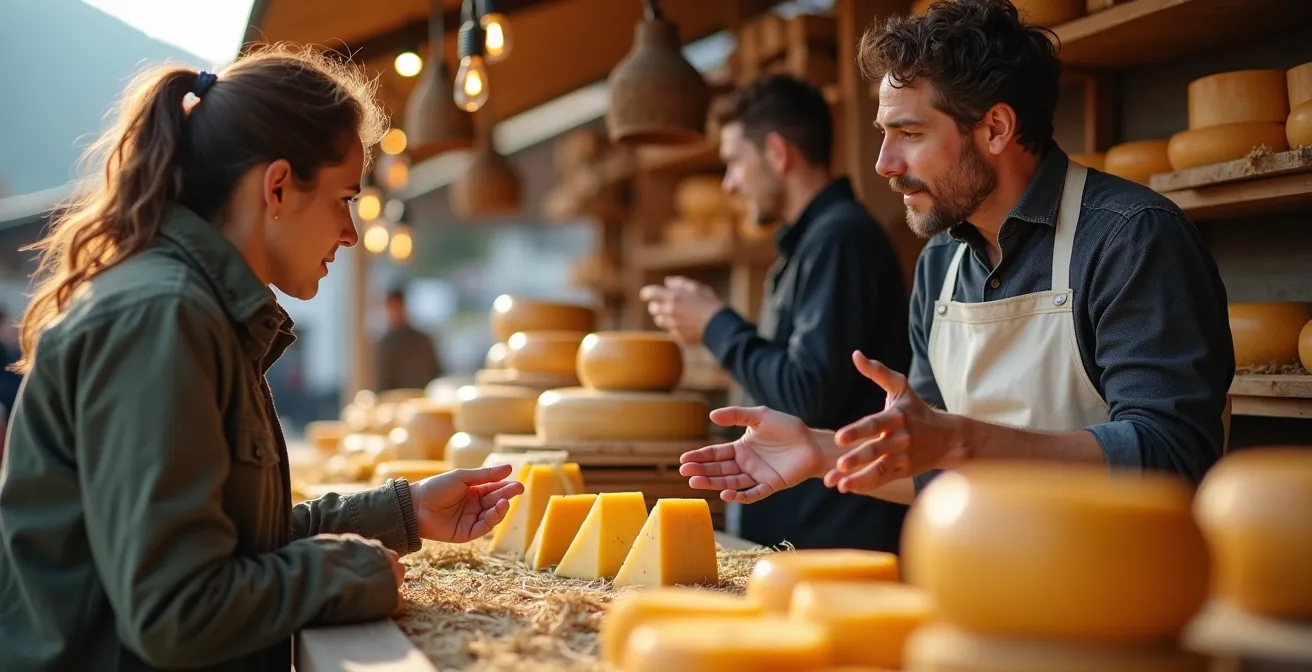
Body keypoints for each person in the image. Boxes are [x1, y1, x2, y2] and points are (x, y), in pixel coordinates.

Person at [0, 46, 524, 671]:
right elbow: (177, 611)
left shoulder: (189, 308)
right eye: (344, 198)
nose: (351, 233)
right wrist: (350, 572)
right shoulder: (164, 318)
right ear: (277, 186)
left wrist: (402, 513)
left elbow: (229, 544)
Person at [678, 0, 1234, 507]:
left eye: (909, 133)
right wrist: (819, 450)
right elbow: (932, 466)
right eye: (882, 133)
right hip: (981, 590)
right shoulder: (940, 265)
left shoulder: (1131, 238)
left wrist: (960, 441)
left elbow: (1173, 456)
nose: (883, 163)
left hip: (1124, 603)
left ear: (995, 127)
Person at [641, 74, 913, 553]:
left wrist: (714, 324)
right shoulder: (812, 244)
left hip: (833, 544)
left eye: (733, 162)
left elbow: (807, 394)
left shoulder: (841, 239)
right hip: (808, 536)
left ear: (776, 152)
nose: (728, 184)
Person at [373, 285, 442, 392]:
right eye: (392, 307)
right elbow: (382, 383)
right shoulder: (384, 344)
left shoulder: (422, 340)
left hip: (423, 399)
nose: (395, 311)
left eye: (398, 306)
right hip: (394, 403)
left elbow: (437, 374)